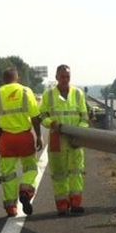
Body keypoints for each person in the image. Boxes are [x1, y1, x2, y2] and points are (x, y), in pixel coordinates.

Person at [0, 67, 42, 217]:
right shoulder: (26, 91)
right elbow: (36, 117)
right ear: (17, 78)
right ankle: (26, 190)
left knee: (8, 175)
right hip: (24, 138)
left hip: (6, 140)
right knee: (31, 168)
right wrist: (39, 136)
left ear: (3, 80)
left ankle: (11, 208)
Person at [39, 65, 90, 216]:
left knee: (76, 172)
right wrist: (51, 123)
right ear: (56, 77)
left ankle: (75, 203)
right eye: (62, 77)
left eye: (68, 77)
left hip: (75, 140)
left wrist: (79, 132)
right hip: (57, 139)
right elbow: (42, 116)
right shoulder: (48, 95)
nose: (65, 80)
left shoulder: (78, 94)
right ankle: (62, 205)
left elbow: (85, 118)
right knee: (59, 173)